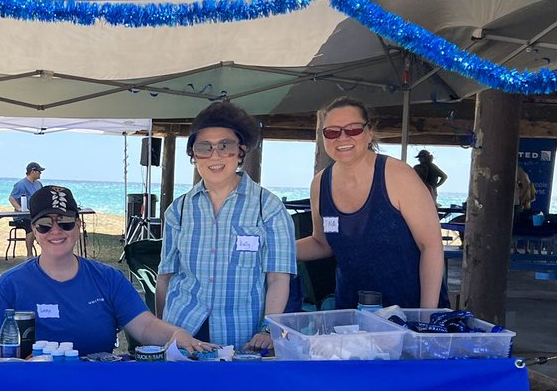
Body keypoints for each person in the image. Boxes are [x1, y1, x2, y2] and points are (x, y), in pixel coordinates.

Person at [0, 185, 212, 359]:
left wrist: (176, 335)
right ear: (34, 231)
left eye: (65, 222)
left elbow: (145, 326)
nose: (56, 232)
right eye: (45, 225)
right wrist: (26, 363)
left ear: (78, 226)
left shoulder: (108, 279)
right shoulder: (10, 284)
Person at [154, 101, 298, 352]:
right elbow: (166, 276)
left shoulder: (269, 207)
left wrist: (268, 329)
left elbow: (278, 278)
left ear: (241, 151)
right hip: (183, 330)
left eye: (225, 146)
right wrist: (162, 333)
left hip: (241, 336)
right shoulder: (178, 209)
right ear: (193, 154)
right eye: (204, 147)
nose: (215, 156)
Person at [296, 97, 447, 310]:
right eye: (332, 132)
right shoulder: (320, 183)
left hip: (408, 312)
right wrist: (272, 249)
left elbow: (431, 246)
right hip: (350, 313)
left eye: (353, 129)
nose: (342, 137)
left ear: (369, 132)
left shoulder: (398, 175)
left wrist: (426, 316)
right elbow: (322, 243)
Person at [8, 162, 46, 257]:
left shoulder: (39, 184)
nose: (40, 174)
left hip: (36, 215)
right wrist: (20, 208)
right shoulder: (21, 185)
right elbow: (12, 198)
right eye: (39, 171)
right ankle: (29, 254)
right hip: (23, 217)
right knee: (32, 227)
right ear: (33, 171)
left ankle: (46, 251)